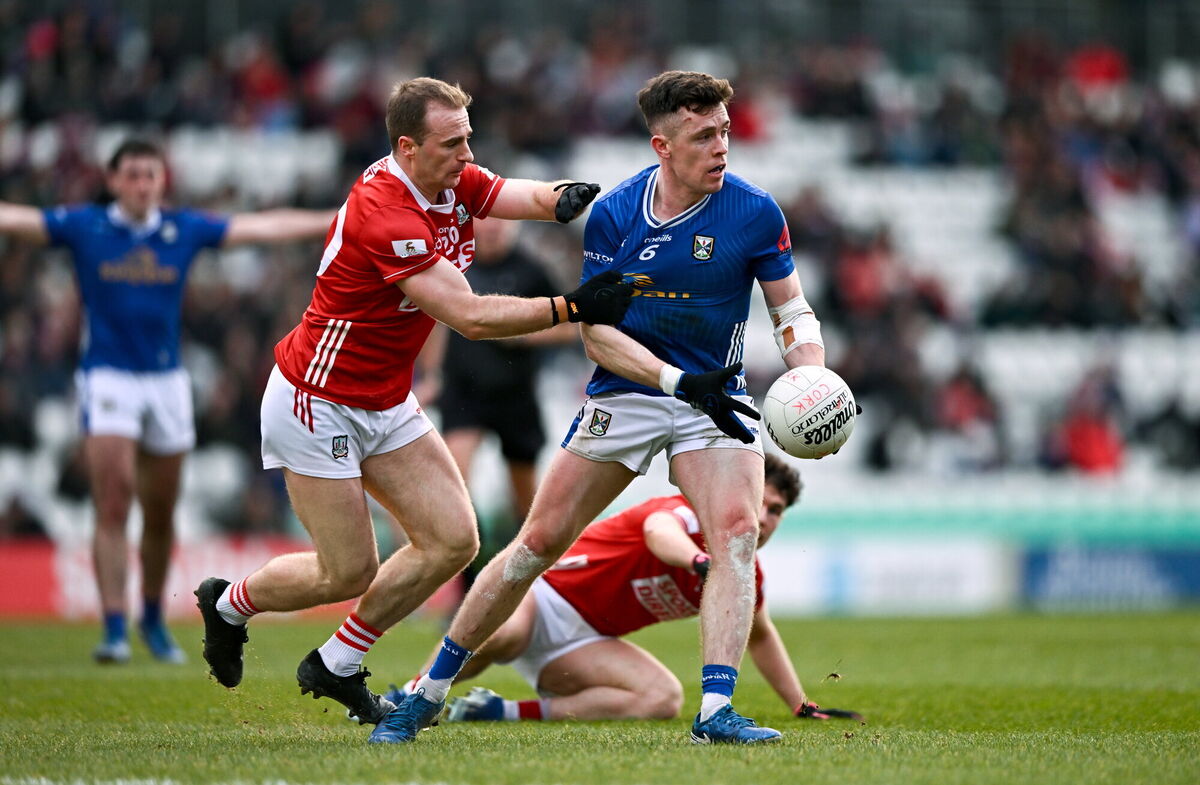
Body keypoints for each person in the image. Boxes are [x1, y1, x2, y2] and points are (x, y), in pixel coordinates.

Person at [377, 70, 827, 745]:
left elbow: (790, 310)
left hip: (716, 395)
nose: (721, 147)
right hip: (632, 389)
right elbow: (597, 332)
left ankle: (714, 711)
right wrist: (675, 380)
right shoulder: (616, 213)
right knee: (536, 542)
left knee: (734, 531)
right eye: (703, 136)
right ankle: (426, 691)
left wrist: (813, 375)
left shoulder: (756, 211)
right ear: (662, 145)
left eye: (725, 132)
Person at [192, 78, 631, 729]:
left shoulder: (447, 175)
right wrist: (572, 306)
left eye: (468, 138)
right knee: (346, 571)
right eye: (453, 142)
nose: (466, 153)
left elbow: (507, 192)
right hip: (318, 399)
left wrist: (562, 198)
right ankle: (229, 603)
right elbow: (469, 316)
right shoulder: (384, 210)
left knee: (456, 539)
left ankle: (337, 661)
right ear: (407, 145)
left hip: (385, 399)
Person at [0, 138, 335, 665]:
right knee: (113, 500)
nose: (141, 184)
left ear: (163, 181)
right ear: (113, 181)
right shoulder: (87, 226)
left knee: (159, 512)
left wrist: (333, 219)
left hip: (167, 381)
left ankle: (153, 619)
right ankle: (114, 628)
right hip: (108, 377)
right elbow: (20, 221)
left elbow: (259, 227)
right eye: (132, 175)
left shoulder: (182, 229)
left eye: (150, 175)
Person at [376, 455, 862, 725]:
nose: (763, 518)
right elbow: (659, 534)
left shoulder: (744, 575)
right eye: (760, 501)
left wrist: (800, 704)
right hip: (544, 597)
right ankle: (411, 697)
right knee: (499, 635)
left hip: (584, 643)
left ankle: (496, 711)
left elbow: (759, 635)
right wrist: (697, 559)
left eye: (776, 511)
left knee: (662, 699)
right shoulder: (686, 511)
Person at [411, 216, 577, 596]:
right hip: (463, 393)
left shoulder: (531, 271)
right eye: (484, 226)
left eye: (499, 226)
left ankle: (526, 590)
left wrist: (522, 334)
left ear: (512, 229)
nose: (491, 232)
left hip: (515, 395)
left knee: (525, 500)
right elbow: (435, 322)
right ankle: (466, 591)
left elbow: (569, 324)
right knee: (457, 485)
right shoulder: (456, 266)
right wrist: (433, 376)